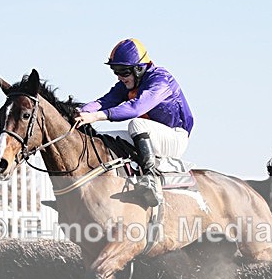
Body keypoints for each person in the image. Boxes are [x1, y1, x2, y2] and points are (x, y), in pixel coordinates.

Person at [75, 38, 194, 207]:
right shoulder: (129, 83)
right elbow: (105, 102)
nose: (119, 77)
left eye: (123, 71)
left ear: (139, 68)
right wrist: (81, 111)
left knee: (136, 124)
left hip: (175, 138)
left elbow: (136, 108)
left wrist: (95, 117)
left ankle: (150, 181)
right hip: (150, 136)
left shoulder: (160, 80)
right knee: (101, 141)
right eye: (115, 71)